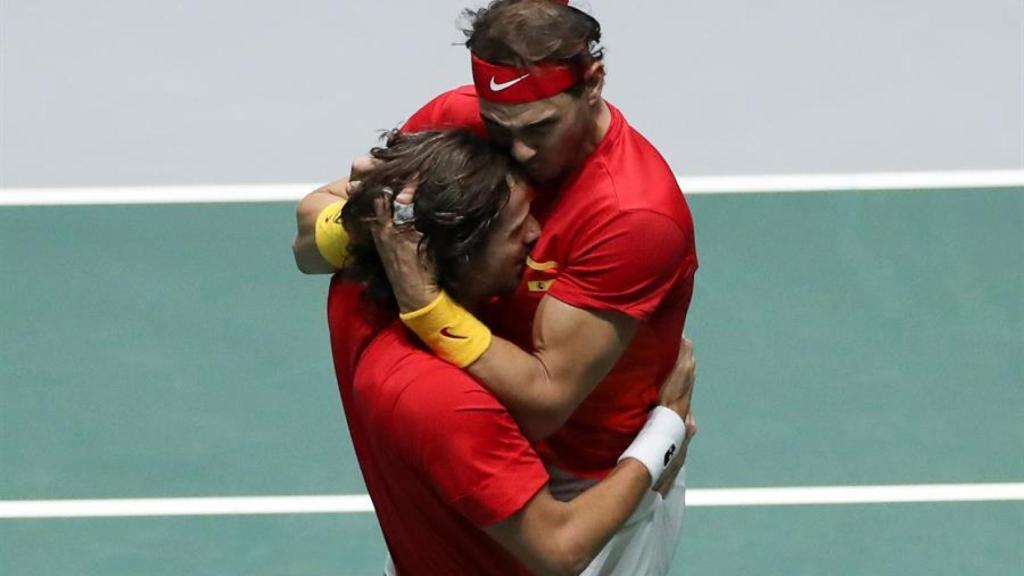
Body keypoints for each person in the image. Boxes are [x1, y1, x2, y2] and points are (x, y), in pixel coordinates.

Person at [295, 1, 699, 572]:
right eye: (500, 126)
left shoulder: (631, 214)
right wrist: (362, 226)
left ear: (594, 82)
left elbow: (544, 404)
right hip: (467, 442)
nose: (520, 152)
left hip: (582, 491)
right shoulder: (457, 120)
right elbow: (306, 246)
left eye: (540, 127)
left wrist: (427, 304)